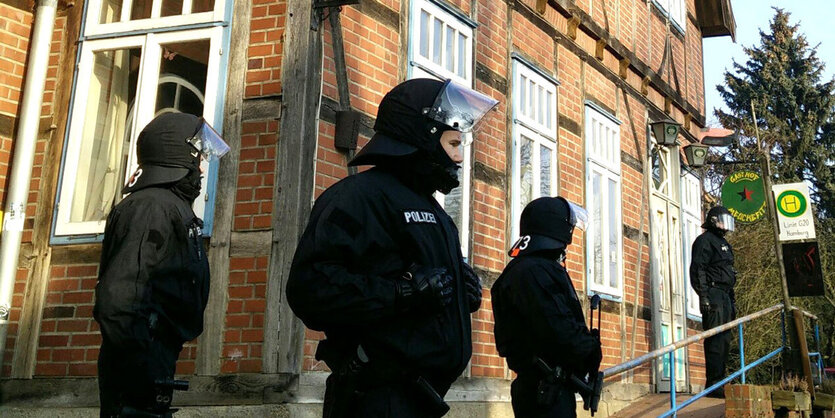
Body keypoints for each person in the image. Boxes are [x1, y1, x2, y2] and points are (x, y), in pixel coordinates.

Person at [286, 78, 497, 418]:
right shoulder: (358, 197)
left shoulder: (435, 211)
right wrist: (400, 292)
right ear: (423, 136)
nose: (459, 157)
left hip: (420, 400)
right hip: (374, 397)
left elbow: (418, 280)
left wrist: (460, 290)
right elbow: (310, 287)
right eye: (454, 143)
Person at [94, 113, 230, 417]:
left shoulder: (168, 205)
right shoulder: (152, 206)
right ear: (178, 155)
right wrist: (140, 369)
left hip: (154, 358)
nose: (200, 169)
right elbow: (120, 299)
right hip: (139, 366)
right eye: (197, 159)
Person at [491, 196, 602, 418]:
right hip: (546, 391)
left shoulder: (524, 269)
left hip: (542, 386)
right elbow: (560, 331)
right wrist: (590, 349)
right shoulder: (535, 272)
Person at [689, 205, 736, 398]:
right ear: (714, 220)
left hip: (726, 295)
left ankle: (721, 381)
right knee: (715, 341)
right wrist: (704, 296)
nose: (726, 226)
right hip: (714, 294)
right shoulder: (704, 241)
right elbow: (698, 269)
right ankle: (713, 384)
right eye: (723, 220)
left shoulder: (723, 243)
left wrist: (732, 298)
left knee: (725, 340)